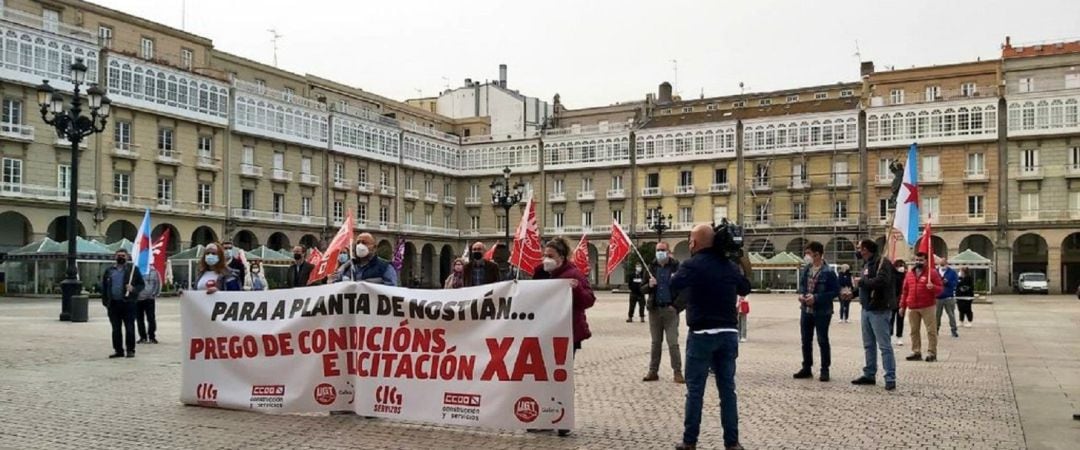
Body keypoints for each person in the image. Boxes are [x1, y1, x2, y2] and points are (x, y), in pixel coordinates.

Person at [671, 224, 752, 450]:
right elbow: (745, 287)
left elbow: (674, 284)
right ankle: (732, 442)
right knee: (728, 390)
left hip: (701, 335)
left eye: (690, 241)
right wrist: (740, 259)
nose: (689, 244)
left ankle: (689, 442)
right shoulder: (729, 265)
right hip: (728, 334)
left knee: (695, 390)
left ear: (695, 243)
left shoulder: (692, 264)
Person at [532, 237, 595, 437]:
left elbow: (589, 300)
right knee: (543, 377)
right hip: (544, 333)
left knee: (562, 377)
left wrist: (576, 289)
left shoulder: (574, 274)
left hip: (568, 334)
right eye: (544, 255)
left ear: (561, 257)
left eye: (550, 256)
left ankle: (563, 418)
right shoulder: (540, 273)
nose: (546, 259)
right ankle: (546, 417)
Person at [851, 239, 898, 391]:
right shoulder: (867, 264)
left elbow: (882, 281)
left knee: (884, 346)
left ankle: (890, 377)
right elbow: (866, 285)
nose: (857, 250)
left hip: (880, 309)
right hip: (866, 308)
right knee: (868, 344)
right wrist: (852, 294)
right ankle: (869, 374)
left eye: (859, 248)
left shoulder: (882, 263)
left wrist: (862, 282)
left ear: (865, 249)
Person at [794, 241, 838, 382]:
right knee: (805, 340)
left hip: (822, 311)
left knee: (822, 340)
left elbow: (834, 291)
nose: (806, 256)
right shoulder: (807, 269)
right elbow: (802, 285)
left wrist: (817, 298)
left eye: (808, 253)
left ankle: (825, 369)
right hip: (806, 310)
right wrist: (801, 294)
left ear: (817, 254)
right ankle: (806, 367)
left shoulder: (829, 272)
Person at [642, 241, 684, 384]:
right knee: (655, 343)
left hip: (670, 310)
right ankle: (653, 371)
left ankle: (677, 372)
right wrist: (649, 285)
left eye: (663, 250)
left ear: (668, 251)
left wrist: (677, 307)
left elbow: (684, 290)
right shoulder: (651, 267)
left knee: (673, 343)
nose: (660, 252)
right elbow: (641, 289)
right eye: (658, 250)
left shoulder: (676, 267)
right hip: (654, 310)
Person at [900, 252, 944, 362]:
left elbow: (940, 289)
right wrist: (902, 306)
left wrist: (933, 287)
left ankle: (932, 352)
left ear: (926, 261)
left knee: (931, 331)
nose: (918, 262)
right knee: (914, 331)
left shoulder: (932, 273)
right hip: (913, 306)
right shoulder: (909, 274)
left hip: (927, 306)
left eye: (921, 260)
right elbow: (905, 291)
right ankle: (916, 352)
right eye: (917, 260)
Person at [101, 249, 145, 358]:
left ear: (127, 257)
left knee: (129, 328)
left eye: (123, 256)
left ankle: (130, 350)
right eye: (119, 255)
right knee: (116, 329)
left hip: (128, 303)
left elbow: (141, 284)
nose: (121, 257)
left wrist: (133, 289)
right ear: (115, 257)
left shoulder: (132, 270)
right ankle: (118, 350)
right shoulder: (109, 271)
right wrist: (106, 301)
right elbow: (104, 286)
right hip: (113, 304)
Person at [135, 266, 160, 345]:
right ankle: (143, 337)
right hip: (137, 299)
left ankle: (152, 336)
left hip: (149, 299)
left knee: (151, 318)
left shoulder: (154, 271)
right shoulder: (135, 271)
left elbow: (157, 284)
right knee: (139, 319)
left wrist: (154, 294)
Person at [935, 257, 960, 338]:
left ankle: (954, 330)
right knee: (937, 315)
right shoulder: (935, 272)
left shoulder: (952, 272)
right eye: (941, 264)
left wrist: (948, 282)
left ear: (947, 263)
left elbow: (956, 283)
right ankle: (936, 330)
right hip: (938, 297)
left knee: (951, 314)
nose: (942, 265)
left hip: (949, 297)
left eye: (944, 263)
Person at [890, 259, 907, 347]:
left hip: (902, 301)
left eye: (902, 265)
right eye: (899, 266)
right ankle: (890, 335)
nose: (901, 267)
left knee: (900, 319)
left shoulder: (906, 276)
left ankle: (899, 336)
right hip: (892, 301)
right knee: (890, 319)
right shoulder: (892, 276)